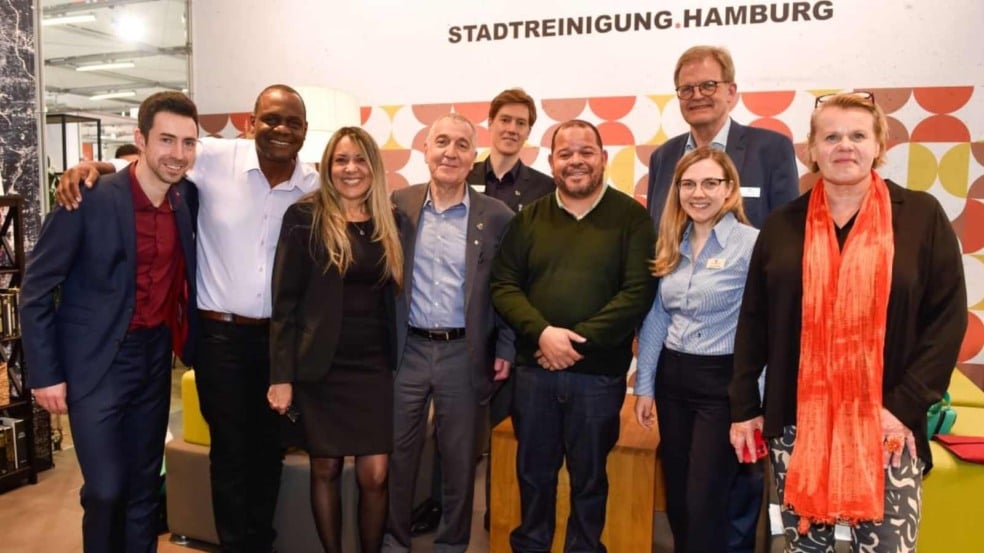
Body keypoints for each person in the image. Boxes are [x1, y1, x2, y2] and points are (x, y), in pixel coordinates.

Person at [56, 84, 319, 553]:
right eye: (271, 119)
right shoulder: (215, 157)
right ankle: (238, 546)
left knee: (270, 452)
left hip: (280, 341)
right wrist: (92, 167)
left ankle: (260, 543)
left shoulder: (314, 186)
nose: (281, 129)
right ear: (250, 123)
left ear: (304, 130)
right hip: (220, 337)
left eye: (292, 122)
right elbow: (155, 161)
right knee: (230, 453)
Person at [729, 92, 967, 552]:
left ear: (880, 144)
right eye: (831, 136)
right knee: (803, 547)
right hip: (799, 423)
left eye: (858, 135)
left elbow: (947, 319)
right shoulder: (781, 226)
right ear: (811, 150)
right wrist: (744, 408)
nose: (845, 146)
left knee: (888, 546)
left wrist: (902, 407)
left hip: (888, 423)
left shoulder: (921, 217)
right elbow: (754, 322)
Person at [21, 91, 201, 553]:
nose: (178, 154)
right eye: (166, 140)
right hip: (95, 363)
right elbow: (37, 289)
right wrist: (46, 374)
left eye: (188, 142)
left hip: (155, 358)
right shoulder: (88, 198)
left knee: (144, 490)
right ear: (140, 139)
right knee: (104, 491)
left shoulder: (188, 199)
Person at [645, 46, 800, 552]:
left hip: (737, 365)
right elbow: (661, 254)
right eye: (687, 88)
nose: (698, 96)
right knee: (691, 491)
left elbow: (785, 252)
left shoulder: (771, 148)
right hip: (677, 366)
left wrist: (757, 383)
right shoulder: (665, 157)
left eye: (708, 85)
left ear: (732, 91)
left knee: (735, 489)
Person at [491, 120, 657, 553]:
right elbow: (504, 286)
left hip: (598, 379)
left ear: (603, 158)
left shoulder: (632, 218)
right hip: (534, 376)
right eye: (565, 154)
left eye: (586, 152)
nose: (576, 161)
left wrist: (571, 344)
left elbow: (637, 292)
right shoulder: (529, 219)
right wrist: (543, 334)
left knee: (589, 480)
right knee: (533, 476)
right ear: (552, 163)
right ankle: (531, 546)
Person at [412, 88, 556, 537]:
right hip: (451, 334)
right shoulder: (458, 172)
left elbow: (530, 269)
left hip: (509, 330)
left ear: (529, 133)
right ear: (489, 126)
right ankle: (436, 504)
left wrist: (514, 339)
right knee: (451, 437)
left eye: (521, 124)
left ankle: (499, 510)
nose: (512, 129)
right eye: (505, 120)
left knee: (500, 433)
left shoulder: (542, 188)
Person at [382, 113, 515, 553]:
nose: (450, 153)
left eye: (461, 145)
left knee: (459, 461)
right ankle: (395, 541)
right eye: (442, 142)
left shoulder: (496, 216)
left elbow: (509, 286)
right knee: (398, 455)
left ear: (473, 157)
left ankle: (451, 545)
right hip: (409, 350)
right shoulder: (397, 204)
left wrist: (509, 348)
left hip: (465, 351)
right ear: (425, 150)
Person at [268, 127, 402, 553]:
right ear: (328, 167)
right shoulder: (304, 217)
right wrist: (281, 375)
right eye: (341, 160)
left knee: (376, 474)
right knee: (325, 467)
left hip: (374, 367)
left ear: (373, 168)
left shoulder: (389, 220)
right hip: (321, 368)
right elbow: (284, 303)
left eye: (360, 160)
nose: (350, 169)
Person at [634, 147, 758, 553]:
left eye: (710, 183)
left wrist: (753, 403)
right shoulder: (672, 242)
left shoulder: (751, 244)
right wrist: (645, 386)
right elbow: (656, 319)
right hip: (673, 381)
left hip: (722, 386)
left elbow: (765, 329)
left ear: (729, 190)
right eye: (688, 184)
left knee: (706, 499)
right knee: (679, 500)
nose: (698, 193)